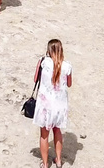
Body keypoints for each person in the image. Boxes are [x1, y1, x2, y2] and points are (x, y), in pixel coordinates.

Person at [33, 39, 73, 168]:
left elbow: (35, 79)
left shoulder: (43, 61)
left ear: (49, 50)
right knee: (57, 131)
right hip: (60, 105)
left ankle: (45, 164)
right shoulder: (67, 66)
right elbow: (69, 84)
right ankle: (59, 160)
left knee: (44, 135)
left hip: (45, 104)